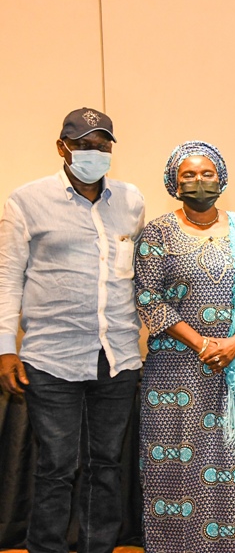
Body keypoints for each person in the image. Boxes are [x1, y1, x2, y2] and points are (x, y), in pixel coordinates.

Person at [0, 107, 145, 552]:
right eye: (83, 145)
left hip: (117, 354)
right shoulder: (26, 201)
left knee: (106, 465)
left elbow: (137, 273)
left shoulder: (131, 200)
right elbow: (8, 277)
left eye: (102, 145)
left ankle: (96, 547)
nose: (93, 152)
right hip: (51, 357)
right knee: (57, 466)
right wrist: (6, 349)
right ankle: (46, 547)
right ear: (62, 147)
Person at [133, 141, 235, 552]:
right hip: (173, 376)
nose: (199, 181)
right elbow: (148, 298)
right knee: (173, 470)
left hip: (234, 369)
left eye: (207, 173)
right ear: (174, 184)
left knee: (232, 461)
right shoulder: (157, 233)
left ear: (222, 179)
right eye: (188, 175)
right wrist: (201, 344)